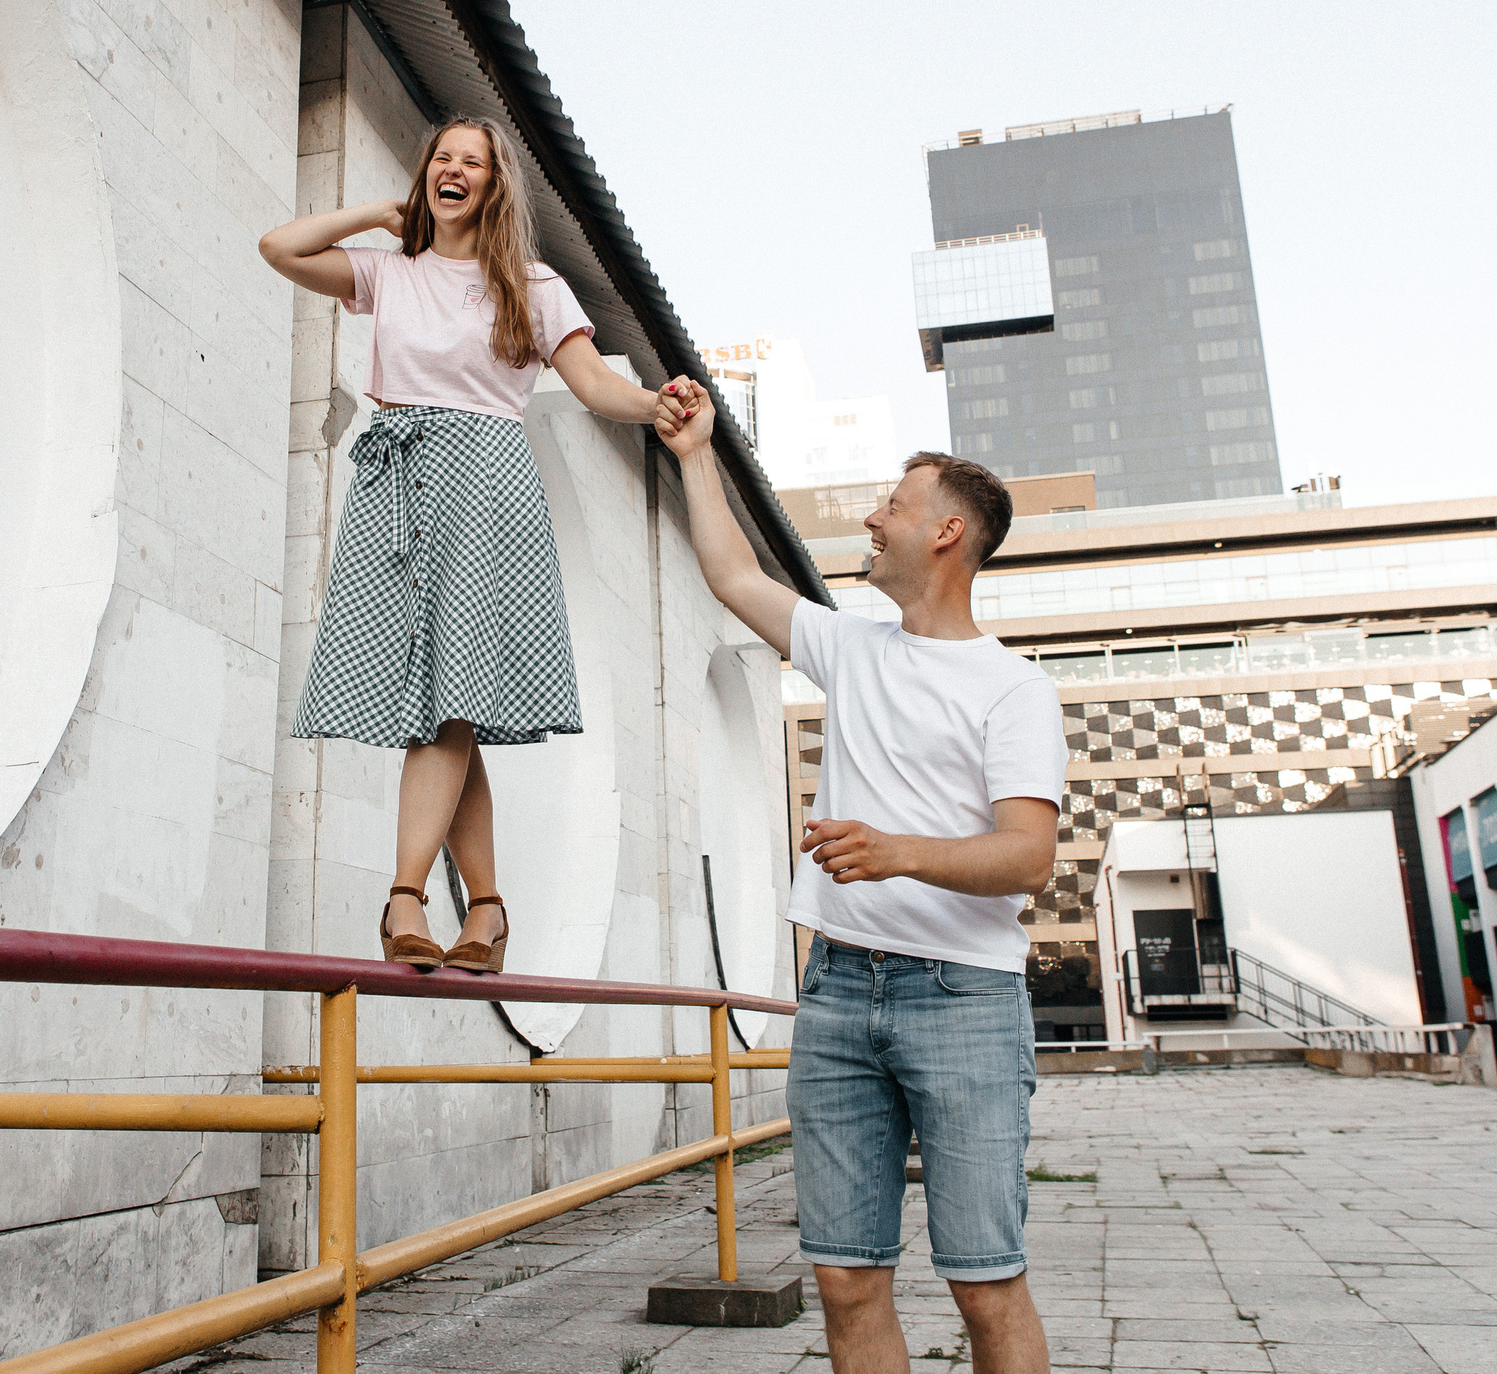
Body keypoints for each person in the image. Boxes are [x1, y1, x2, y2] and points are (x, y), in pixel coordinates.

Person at [653, 377, 1063, 1374]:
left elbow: (1028, 856)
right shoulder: (852, 645)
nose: (872, 518)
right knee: (844, 1281)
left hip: (961, 1000)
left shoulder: (1013, 689)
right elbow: (731, 576)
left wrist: (896, 852)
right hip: (836, 994)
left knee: (984, 1282)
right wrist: (696, 451)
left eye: (893, 503)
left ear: (946, 535)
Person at [259, 116, 671, 973]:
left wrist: (657, 406)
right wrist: (376, 210)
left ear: (494, 185)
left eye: (471, 163)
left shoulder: (532, 282)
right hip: (396, 480)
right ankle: (486, 908)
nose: (453, 171)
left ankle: (406, 893)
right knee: (448, 701)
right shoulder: (389, 271)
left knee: (448, 701)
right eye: (441, 159)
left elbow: (593, 383)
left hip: (485, 482)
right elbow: (281, 247)